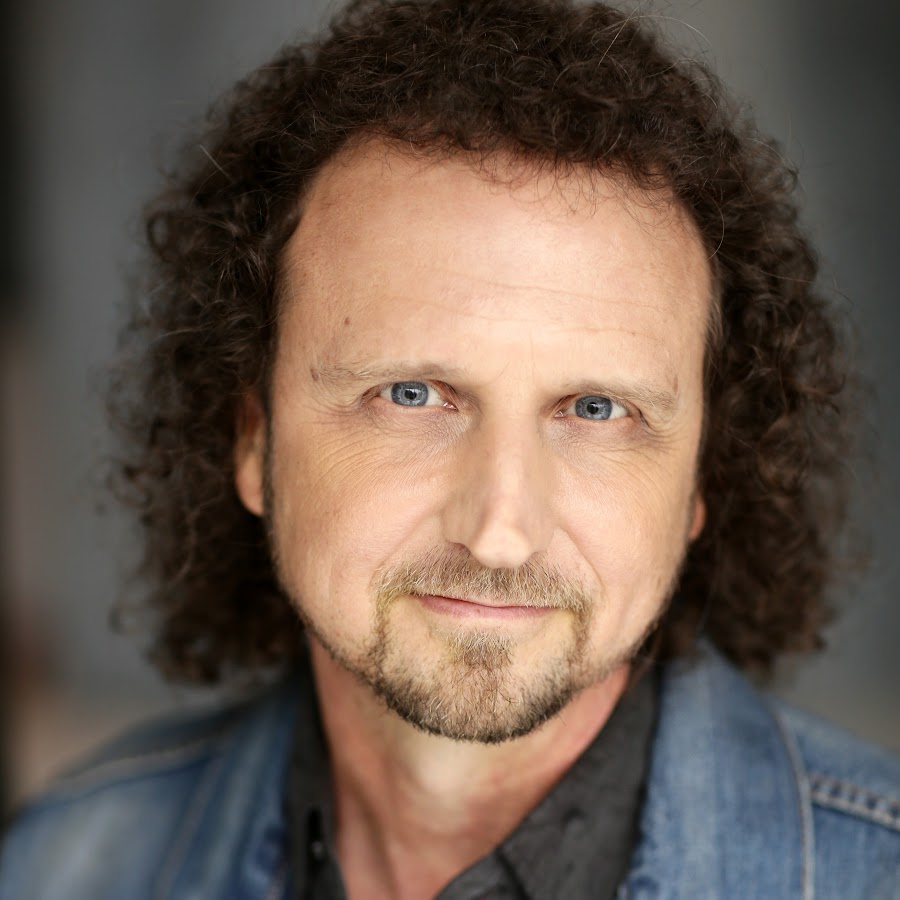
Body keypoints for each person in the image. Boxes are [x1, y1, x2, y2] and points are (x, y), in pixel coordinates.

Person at [2, 0, 899, 896]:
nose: (500, 532)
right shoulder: (62, 870)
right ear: (254, 439)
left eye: (596, 410)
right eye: (411, 395)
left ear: (699, 474)